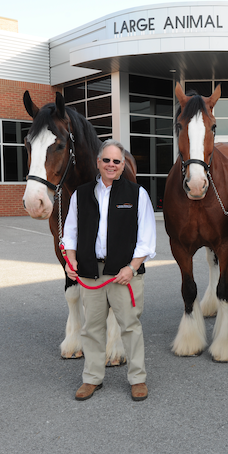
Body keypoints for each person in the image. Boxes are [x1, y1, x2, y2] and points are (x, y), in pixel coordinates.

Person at [62, 139, 156, 401]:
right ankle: (92, 378)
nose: (111, 165)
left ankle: (137, 378)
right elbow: (70, 233)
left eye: (117, 161)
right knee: (91, 328)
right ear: (98, 162)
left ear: (123, 164)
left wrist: (132, 268)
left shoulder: (137, 194)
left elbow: (146, 239)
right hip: (90, 272)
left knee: (130, 327)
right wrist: (71, 261)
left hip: (123, 274)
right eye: (107, 160)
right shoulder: (80, 194)